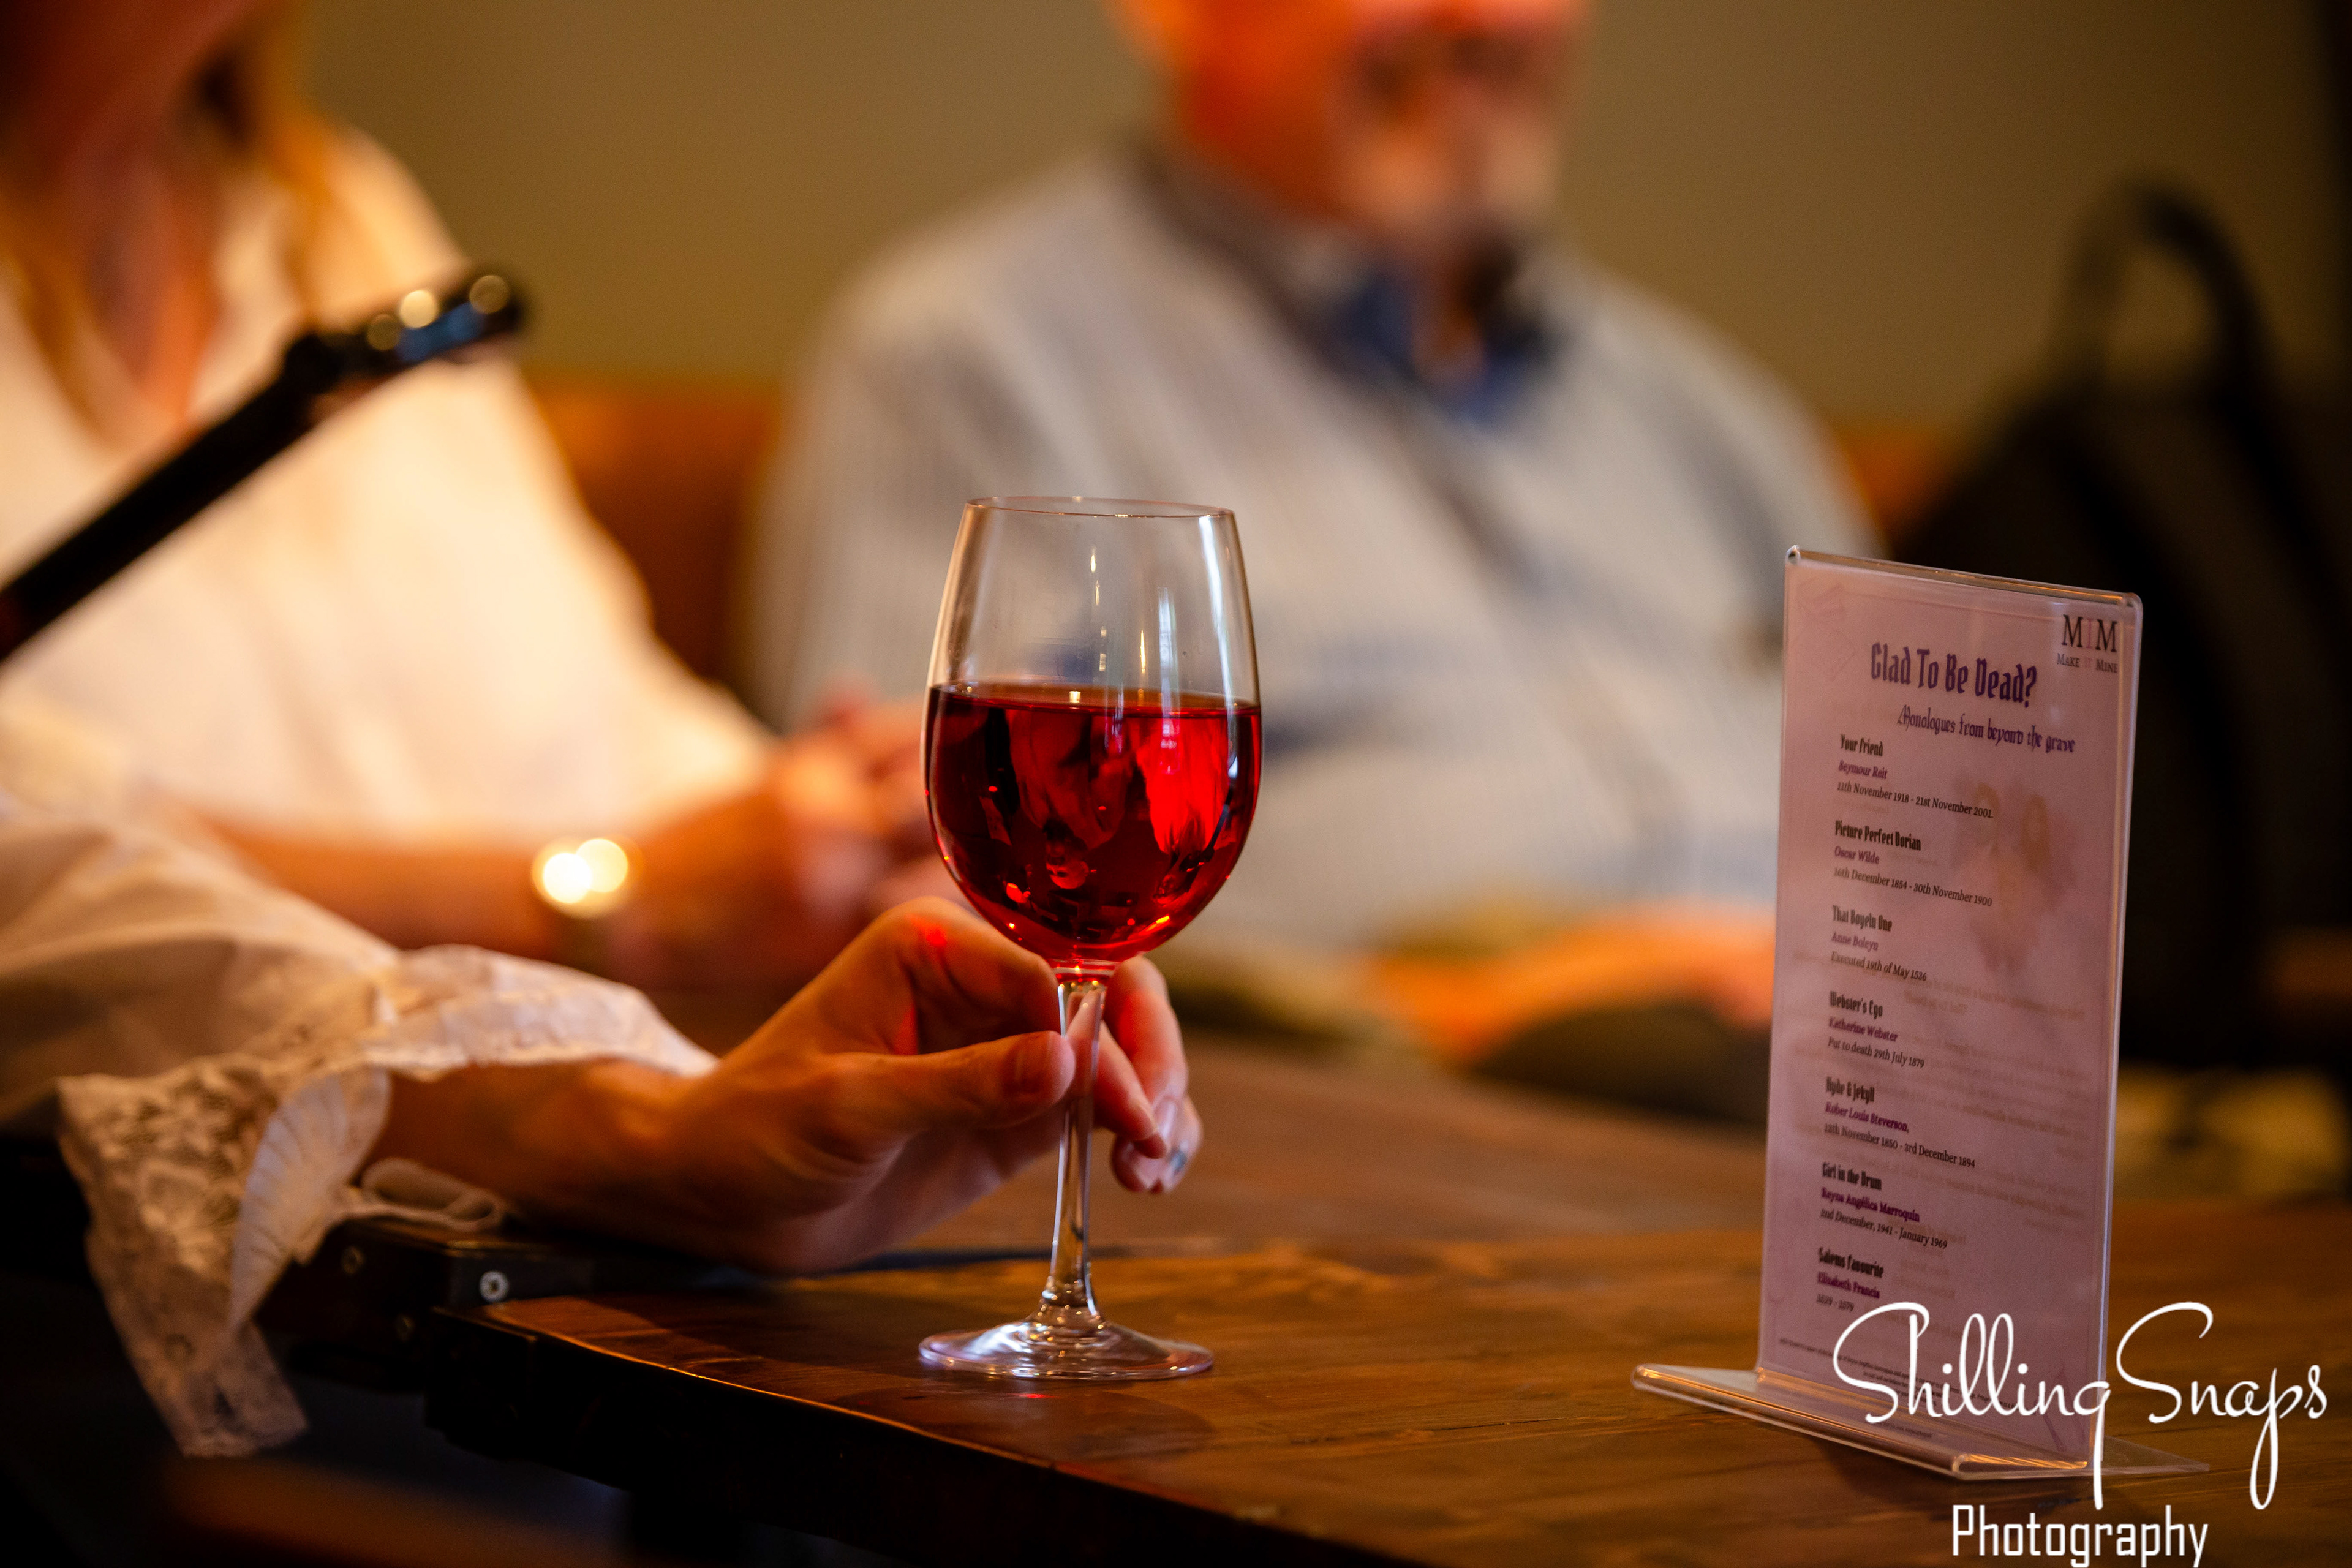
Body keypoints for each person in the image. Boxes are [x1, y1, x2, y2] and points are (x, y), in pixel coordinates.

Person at [750, 0, 1873, 1061]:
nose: (1488, 18)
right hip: (1419, 1115)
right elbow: (908, 895)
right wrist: (1459, 1010)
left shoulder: (1714, 420)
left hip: (1854, 1089)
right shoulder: (969, 367)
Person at [0, 693, 1200, 1462]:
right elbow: (58, 871)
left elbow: (652, 735)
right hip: (266, 1421)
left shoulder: (414, 374)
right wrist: (627, 968)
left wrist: (857, 824)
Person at [0, 0, 920, 992]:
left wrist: (841, 830)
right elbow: (43, 863)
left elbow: (602, 702)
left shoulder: (335, 214)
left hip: (581, 1065)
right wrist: (611, 901)